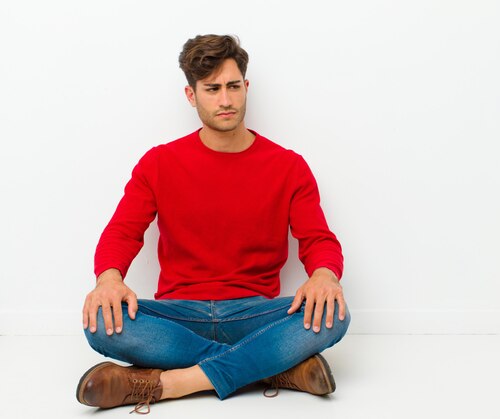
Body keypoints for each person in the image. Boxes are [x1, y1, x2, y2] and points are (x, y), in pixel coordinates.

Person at [76, 34, 350, 414]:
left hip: (253, 313)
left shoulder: (288, 166)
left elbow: (318, 238)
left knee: (335, 313)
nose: (226, 100)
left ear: (246, 87)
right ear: (192, 95)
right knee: (102, 322)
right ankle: (271, 369)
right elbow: (122, 232)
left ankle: (169, 384)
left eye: (234, 87)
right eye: (213, 89)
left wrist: (324, 275)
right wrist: (108, 279)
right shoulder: (159, 163)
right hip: (179, 315)